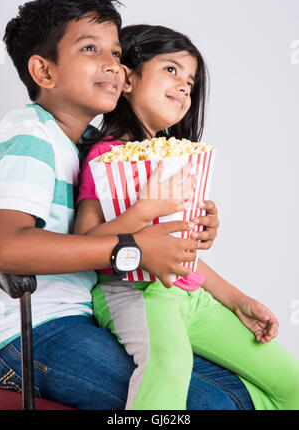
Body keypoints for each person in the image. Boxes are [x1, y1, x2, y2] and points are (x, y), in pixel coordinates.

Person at [0, 0, 254, 410]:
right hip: (29, 333)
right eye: (89, 49)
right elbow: (7, 246)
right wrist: (132, 249)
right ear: (44, 71)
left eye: (116, 54)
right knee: (212, 405)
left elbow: (138, 230)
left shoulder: (94, 148)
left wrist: (188, 225)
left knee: (242, 395)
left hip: (88, 315)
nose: (112, 66)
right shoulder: (31, 137)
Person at [75, 23, 299, 410]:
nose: (183, 87)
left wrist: (237, 299)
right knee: (171, 364)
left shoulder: (175, 159)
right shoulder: (106, 155)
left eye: (190, 83)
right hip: (133, 294)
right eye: (172, 70)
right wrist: (144, 211)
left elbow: (181, 254)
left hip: (190, 294)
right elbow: (84, 244)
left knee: (290, 383)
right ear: (127, 79)